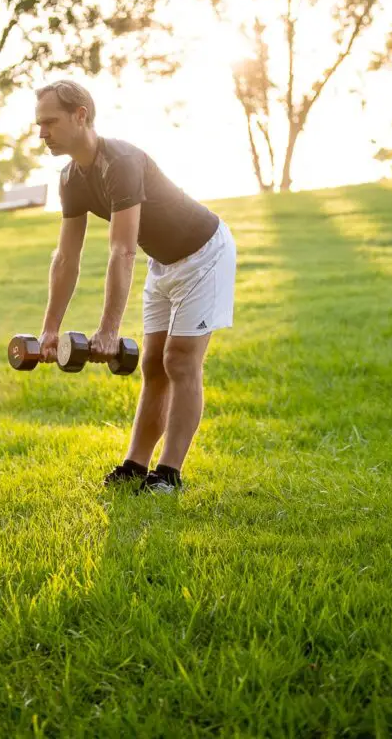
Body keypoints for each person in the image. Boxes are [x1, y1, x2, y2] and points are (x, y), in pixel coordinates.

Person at [35, 80, 237, 494]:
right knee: (150, 365)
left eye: (49, 122)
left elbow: (122, 250)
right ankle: (135, 465)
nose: (42, 133)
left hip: (205, 252)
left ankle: (169, 474)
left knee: (179, 360)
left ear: (81, 115)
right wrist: (50, 328)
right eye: (38, 124)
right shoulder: (71, 177)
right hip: (163, 263)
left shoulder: (121, 161)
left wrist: (109, 329)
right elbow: (66, 258)